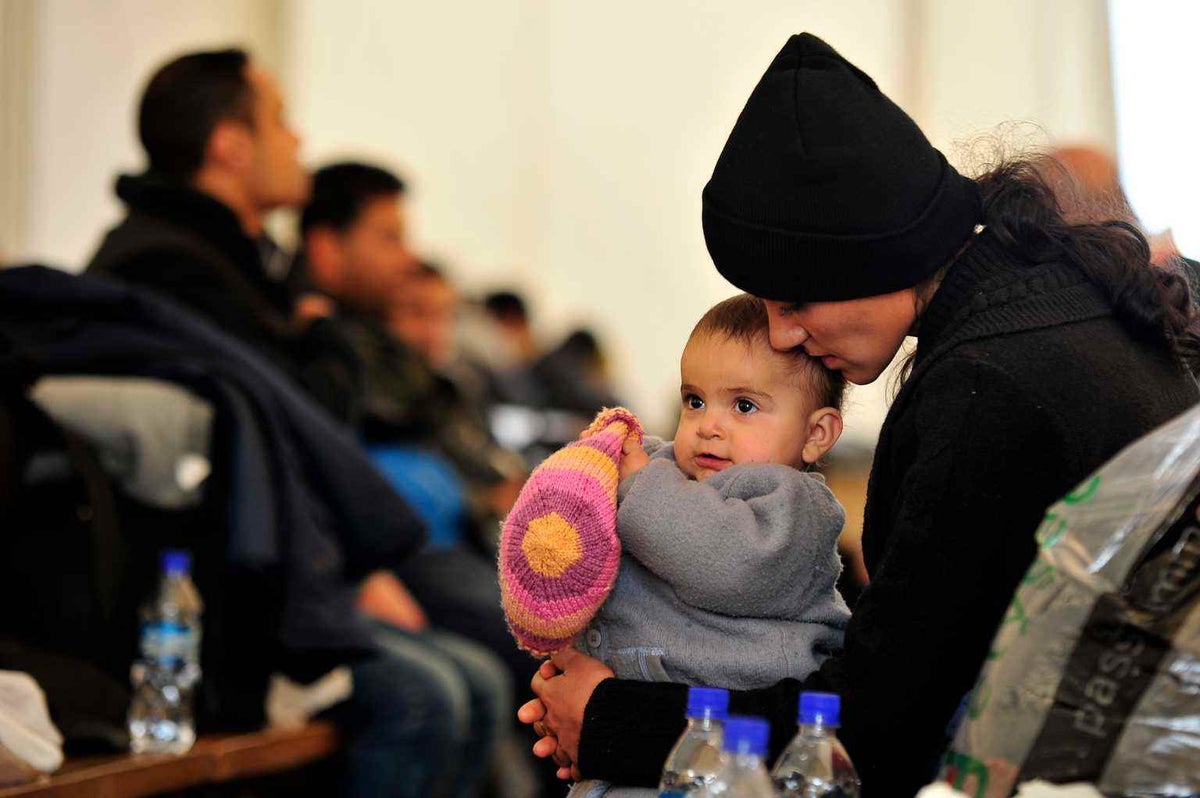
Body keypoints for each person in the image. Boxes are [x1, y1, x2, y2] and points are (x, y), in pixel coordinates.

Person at [520, 33, 1200, 798]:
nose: (782, 335)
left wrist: (614, 720)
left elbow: (875, 732)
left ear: (873, 253)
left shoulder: (987, 387)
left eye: (796, 300)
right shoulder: (1052, 306)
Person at [508, 294, 850, 798]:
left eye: (745, 406)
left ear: (816, 433)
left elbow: (731, 564)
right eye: (695, 400)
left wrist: (638, 485)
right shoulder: (665, 477)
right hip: (632, 736)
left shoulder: (795, 505)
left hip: (732, 763)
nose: (709, 425)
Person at [86, 49, 360, 422]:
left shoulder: (227, 258)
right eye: (280, 120)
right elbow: (300, 421)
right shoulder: (168, 273)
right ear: (231, 147)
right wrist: (320, 334)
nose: (298, 140)